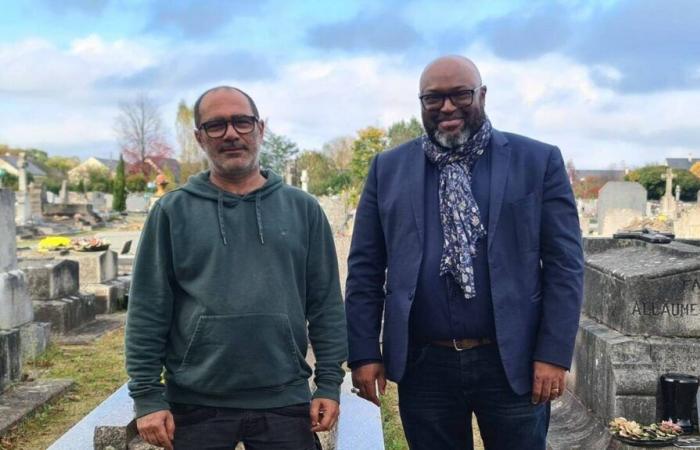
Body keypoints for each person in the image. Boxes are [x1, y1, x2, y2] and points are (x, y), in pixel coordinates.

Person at [345, 56, 584, 449]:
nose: (447, 107)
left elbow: (564, 266)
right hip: (425, 366)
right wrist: (364, 353)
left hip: (513, 362)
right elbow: (365, 269)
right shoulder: (388, 168)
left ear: (482, 95)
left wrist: (554, 354)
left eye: (460, 94)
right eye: (433, 98)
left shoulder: (537, 161)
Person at [125, 86, 347, 450]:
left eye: (241, 122)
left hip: (284, 399)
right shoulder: (172, 213)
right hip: (197, 403)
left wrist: (328, 383)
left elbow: (325, 305)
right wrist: (148, 397)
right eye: (216, 125)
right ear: (199, 137)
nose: (231, 134)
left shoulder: (303, 210)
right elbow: (148, 310)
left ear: (260, 128)